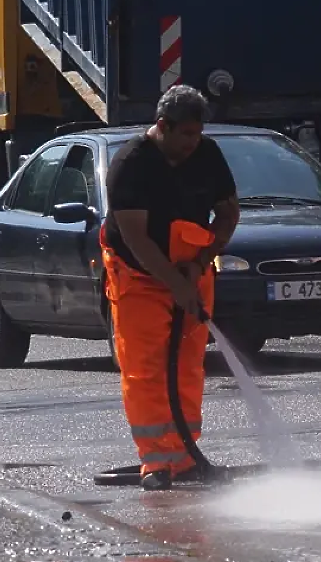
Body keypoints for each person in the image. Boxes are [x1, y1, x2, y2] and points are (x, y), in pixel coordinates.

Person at [100, 85, 240, 491]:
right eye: (186, 135)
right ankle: (156, 462)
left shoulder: (207, 155)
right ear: (163, 126)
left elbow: (229, 213)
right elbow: (137, 239)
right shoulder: (131, 164)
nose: (193, 143)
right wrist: (175, 284)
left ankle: (184, 455)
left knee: (188, 365)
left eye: (198, 134)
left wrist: (197, 265)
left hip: (191, 270)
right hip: (139, 275)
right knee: (146, 369)